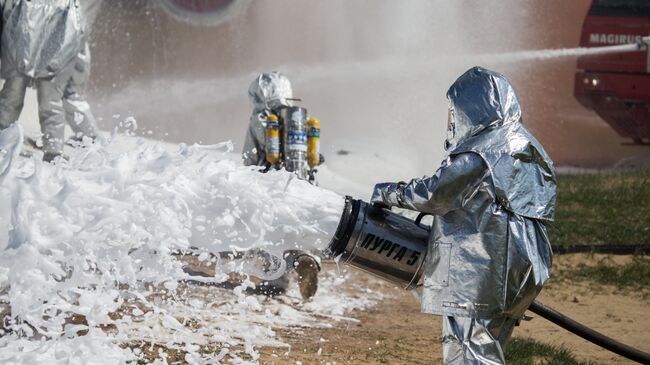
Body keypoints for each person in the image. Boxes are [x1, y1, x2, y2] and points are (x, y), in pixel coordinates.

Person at [370, 67, 556, 365]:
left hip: (479, 272)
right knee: (486, 347)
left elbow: (435, 194)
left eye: (456, 111)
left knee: (467, 351)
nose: (453, 120)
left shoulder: (481, 151)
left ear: (473, 107)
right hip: (522, 272)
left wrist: (389, 193)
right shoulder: (530, 148)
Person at [242, 71, 321, 301]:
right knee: (297, 229)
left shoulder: (261, 119)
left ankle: (275, 280)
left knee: (271, 234)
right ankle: (305, 260)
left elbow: (250, 156)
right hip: (303, 183)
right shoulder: (299, 118)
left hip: (272, 183)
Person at [0, 0, 87, 162]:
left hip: (51, 50)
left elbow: (77, 29)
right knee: (13, 97)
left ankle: (53, 151)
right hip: (21, 46)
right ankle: (2, 139)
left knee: (48, 102)